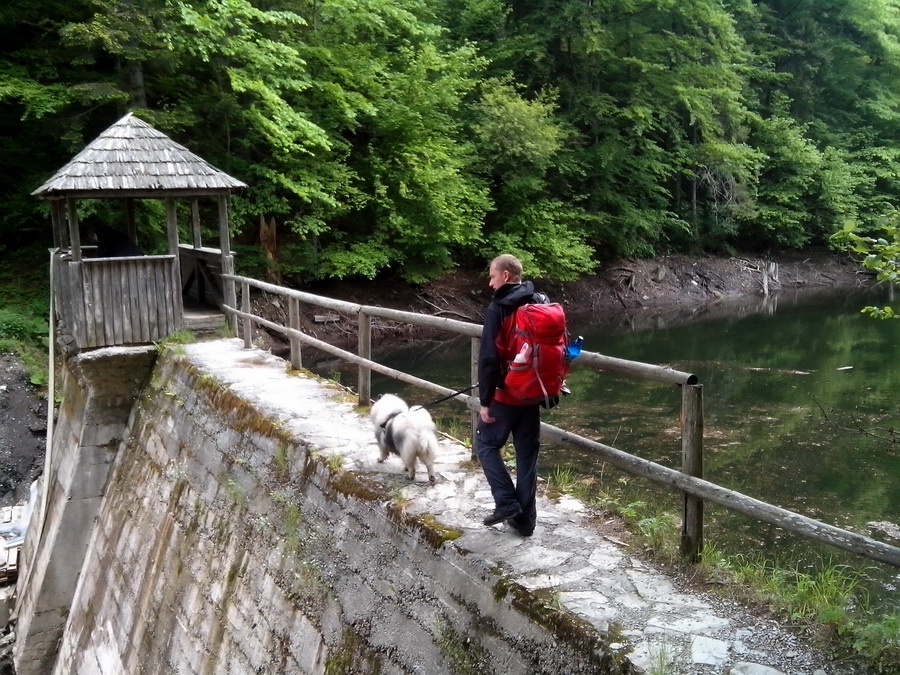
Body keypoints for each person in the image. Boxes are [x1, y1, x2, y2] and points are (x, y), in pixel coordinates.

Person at [476, 254, 549, 537]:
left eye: (492, 276)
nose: (490, 282)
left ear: (506, 276)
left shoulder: (499, 308)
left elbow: (489, 359)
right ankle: (526, 522)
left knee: (485, 445)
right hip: (534, 393)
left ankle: (506, 503)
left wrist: (485, 401)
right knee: (527, 456)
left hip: (506, 395)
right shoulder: (541, 301)